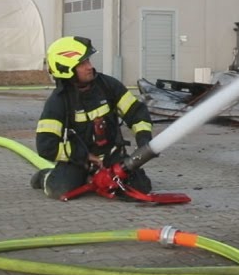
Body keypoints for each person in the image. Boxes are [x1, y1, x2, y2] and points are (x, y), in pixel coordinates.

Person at [32, 35, 155, 199]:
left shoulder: (108, 86)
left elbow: (136, 112)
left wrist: (144, 140)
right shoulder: (58, 102)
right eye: (82, 64)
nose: (90, 67)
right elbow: (46, 146)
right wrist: (84, 156)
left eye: (88, 61)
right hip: (79, 160)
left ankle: (94, 179)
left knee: (141, 187)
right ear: (66, 69)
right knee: (60, 189)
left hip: (112, 156)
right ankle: (45, 177)